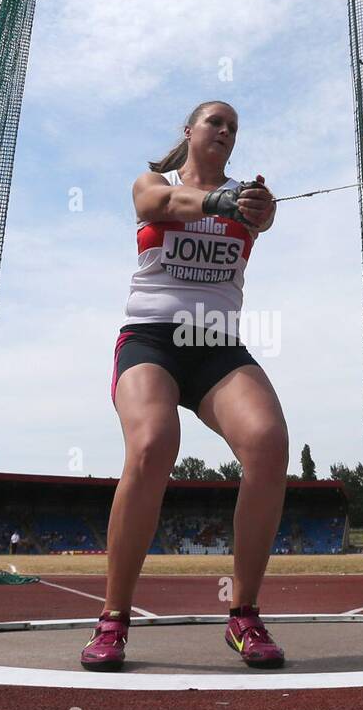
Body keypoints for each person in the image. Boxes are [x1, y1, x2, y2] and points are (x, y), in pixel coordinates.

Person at [82, 101, 285, 671]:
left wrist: (259, 210)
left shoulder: (247, 199)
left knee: (268, 445)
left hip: (217, 347)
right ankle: (113, 619)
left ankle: (243, 614)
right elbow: (159, 204)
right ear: (190, 131)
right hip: (151, 341)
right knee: (152, 445)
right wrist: (219, 201)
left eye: (234, 128)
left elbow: (262, 220)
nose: (224, 131)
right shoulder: (153, 182)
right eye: (215, 122)